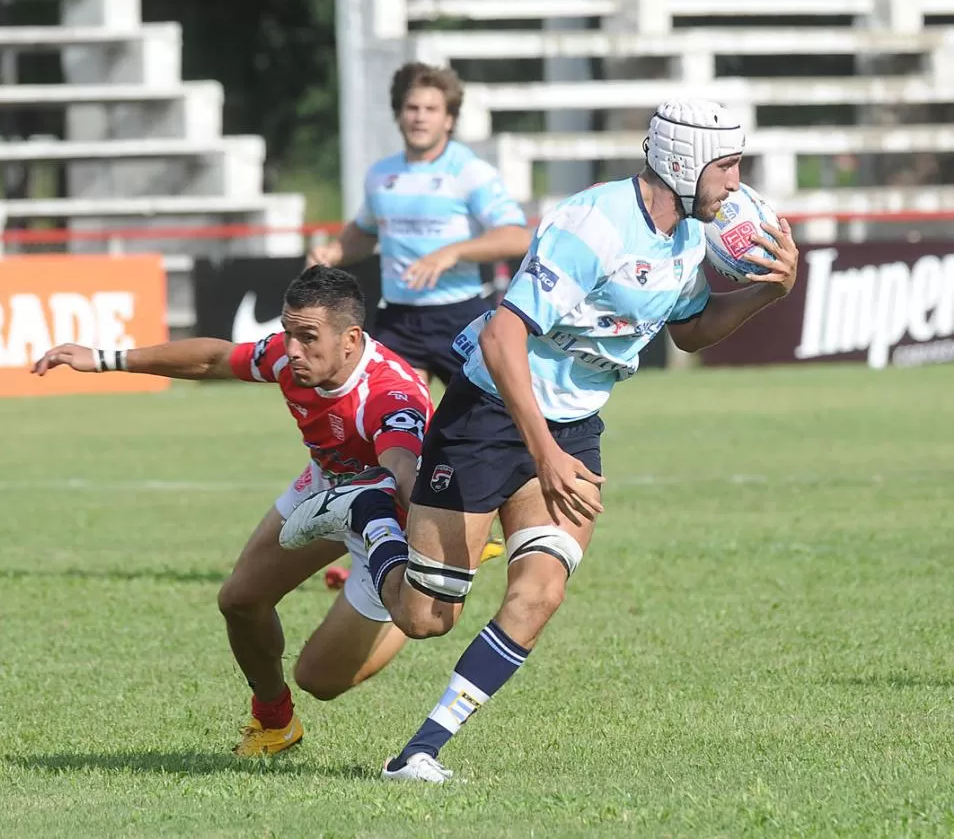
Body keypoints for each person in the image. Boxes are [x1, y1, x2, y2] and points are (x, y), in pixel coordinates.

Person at [280, 99, 802, 782]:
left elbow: (691, 329)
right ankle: (369, 517)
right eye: (728, 164)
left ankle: (419, 751)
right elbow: (503, 336)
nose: (738, 182)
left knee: (541, 591)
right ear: (684, 159)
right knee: (428, 613)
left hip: (575, 425)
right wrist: (542, 452)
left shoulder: (687, 238)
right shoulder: (593, 226)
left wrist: (770, 291)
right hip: (489, 415)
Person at [31, 266, 431, 757]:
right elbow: (215, 359)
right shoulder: (289, 357)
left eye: (307, 338)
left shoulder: (390, 395)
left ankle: (427, 584)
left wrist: (446, 532)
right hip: (327, 485)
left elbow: (405, 472)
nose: (292, 350)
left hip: (387, 519)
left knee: (320, 680)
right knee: (240, 601)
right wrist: (104, 358)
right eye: (288, 334)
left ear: (351, 339)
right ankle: (274, 723)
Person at [308, 61, 532, 388]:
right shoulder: (381, 175)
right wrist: (333, 252)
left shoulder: (469, 171)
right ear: (399, 114)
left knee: (482, 424)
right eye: (412, 107)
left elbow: (517, 237)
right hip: (398, 320)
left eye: (431, 109)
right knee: (393, 420)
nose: (420, 116)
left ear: (449, 119)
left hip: (459, 316)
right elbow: (365, 232)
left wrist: (452, 253)